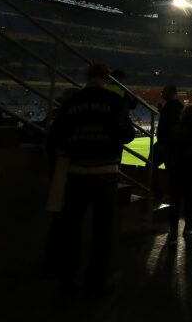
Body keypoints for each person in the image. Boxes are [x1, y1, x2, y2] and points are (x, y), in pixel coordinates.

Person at [45, 62, 135, 300]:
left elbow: (55, 136)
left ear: (87, 77)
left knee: (72, 229)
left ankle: (67, 282)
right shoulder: (115, 100)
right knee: (102, 231)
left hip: (75, 172)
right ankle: (96, 283)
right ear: (107, 78)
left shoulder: (72, 100)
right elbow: (128, 134)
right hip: (105, 173)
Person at [165, 103, 192, 243]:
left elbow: (170, 149)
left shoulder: (176, 128)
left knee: (175, 200)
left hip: (176, 169)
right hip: (190, 170)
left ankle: (173, 230)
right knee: (189, 200)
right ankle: (188, 227)